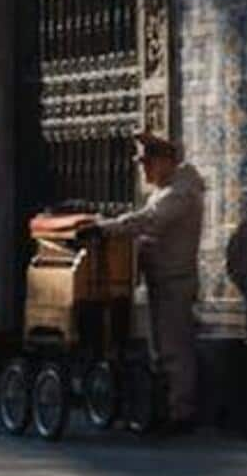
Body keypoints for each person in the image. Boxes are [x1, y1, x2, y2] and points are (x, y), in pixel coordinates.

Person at [78, 132, 205, 434]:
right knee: (161, 348)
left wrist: (105, 228)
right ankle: (162, 409)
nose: (143, 171)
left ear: (164, 161)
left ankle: (180, 413)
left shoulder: (180, 192)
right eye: (140, 164)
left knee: (174, 349)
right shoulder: (165, 189)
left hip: (174, 281)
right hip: (159, 279)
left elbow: (149, 220)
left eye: (147, 163)